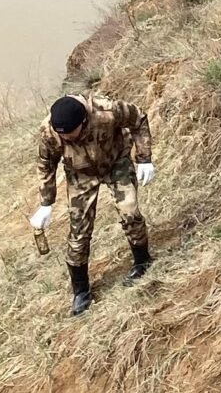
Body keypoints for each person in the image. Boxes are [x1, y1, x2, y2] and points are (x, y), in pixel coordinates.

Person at [29, 92, 153, 315]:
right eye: (62, 136)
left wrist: (144, 158)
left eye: (71, 135)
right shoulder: (50, 131)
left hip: (116, 163)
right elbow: (46, 164)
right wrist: (46, 203)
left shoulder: (107, 111)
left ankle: (142, 261)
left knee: (130, 213)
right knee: (79, 232)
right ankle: (81, 291)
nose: (66, 139)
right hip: (80, 174)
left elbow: (139, 118)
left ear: (83, 122)